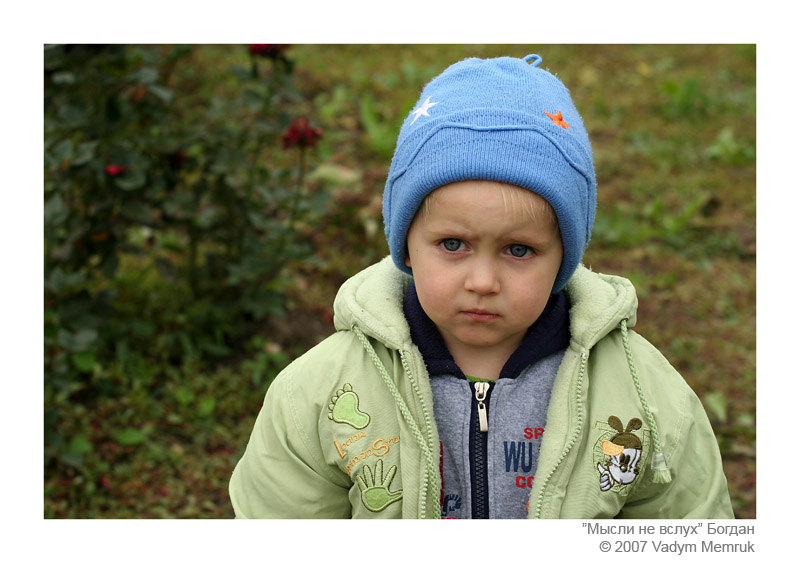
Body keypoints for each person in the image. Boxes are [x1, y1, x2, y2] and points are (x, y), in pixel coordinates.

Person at [228, 54, 734, 519]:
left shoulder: (640, 391)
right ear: (405, 246)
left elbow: (688, 525)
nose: (483, 282)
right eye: (453, 244)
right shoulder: (321, 391)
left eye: (519, 250)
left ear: (565, 258)